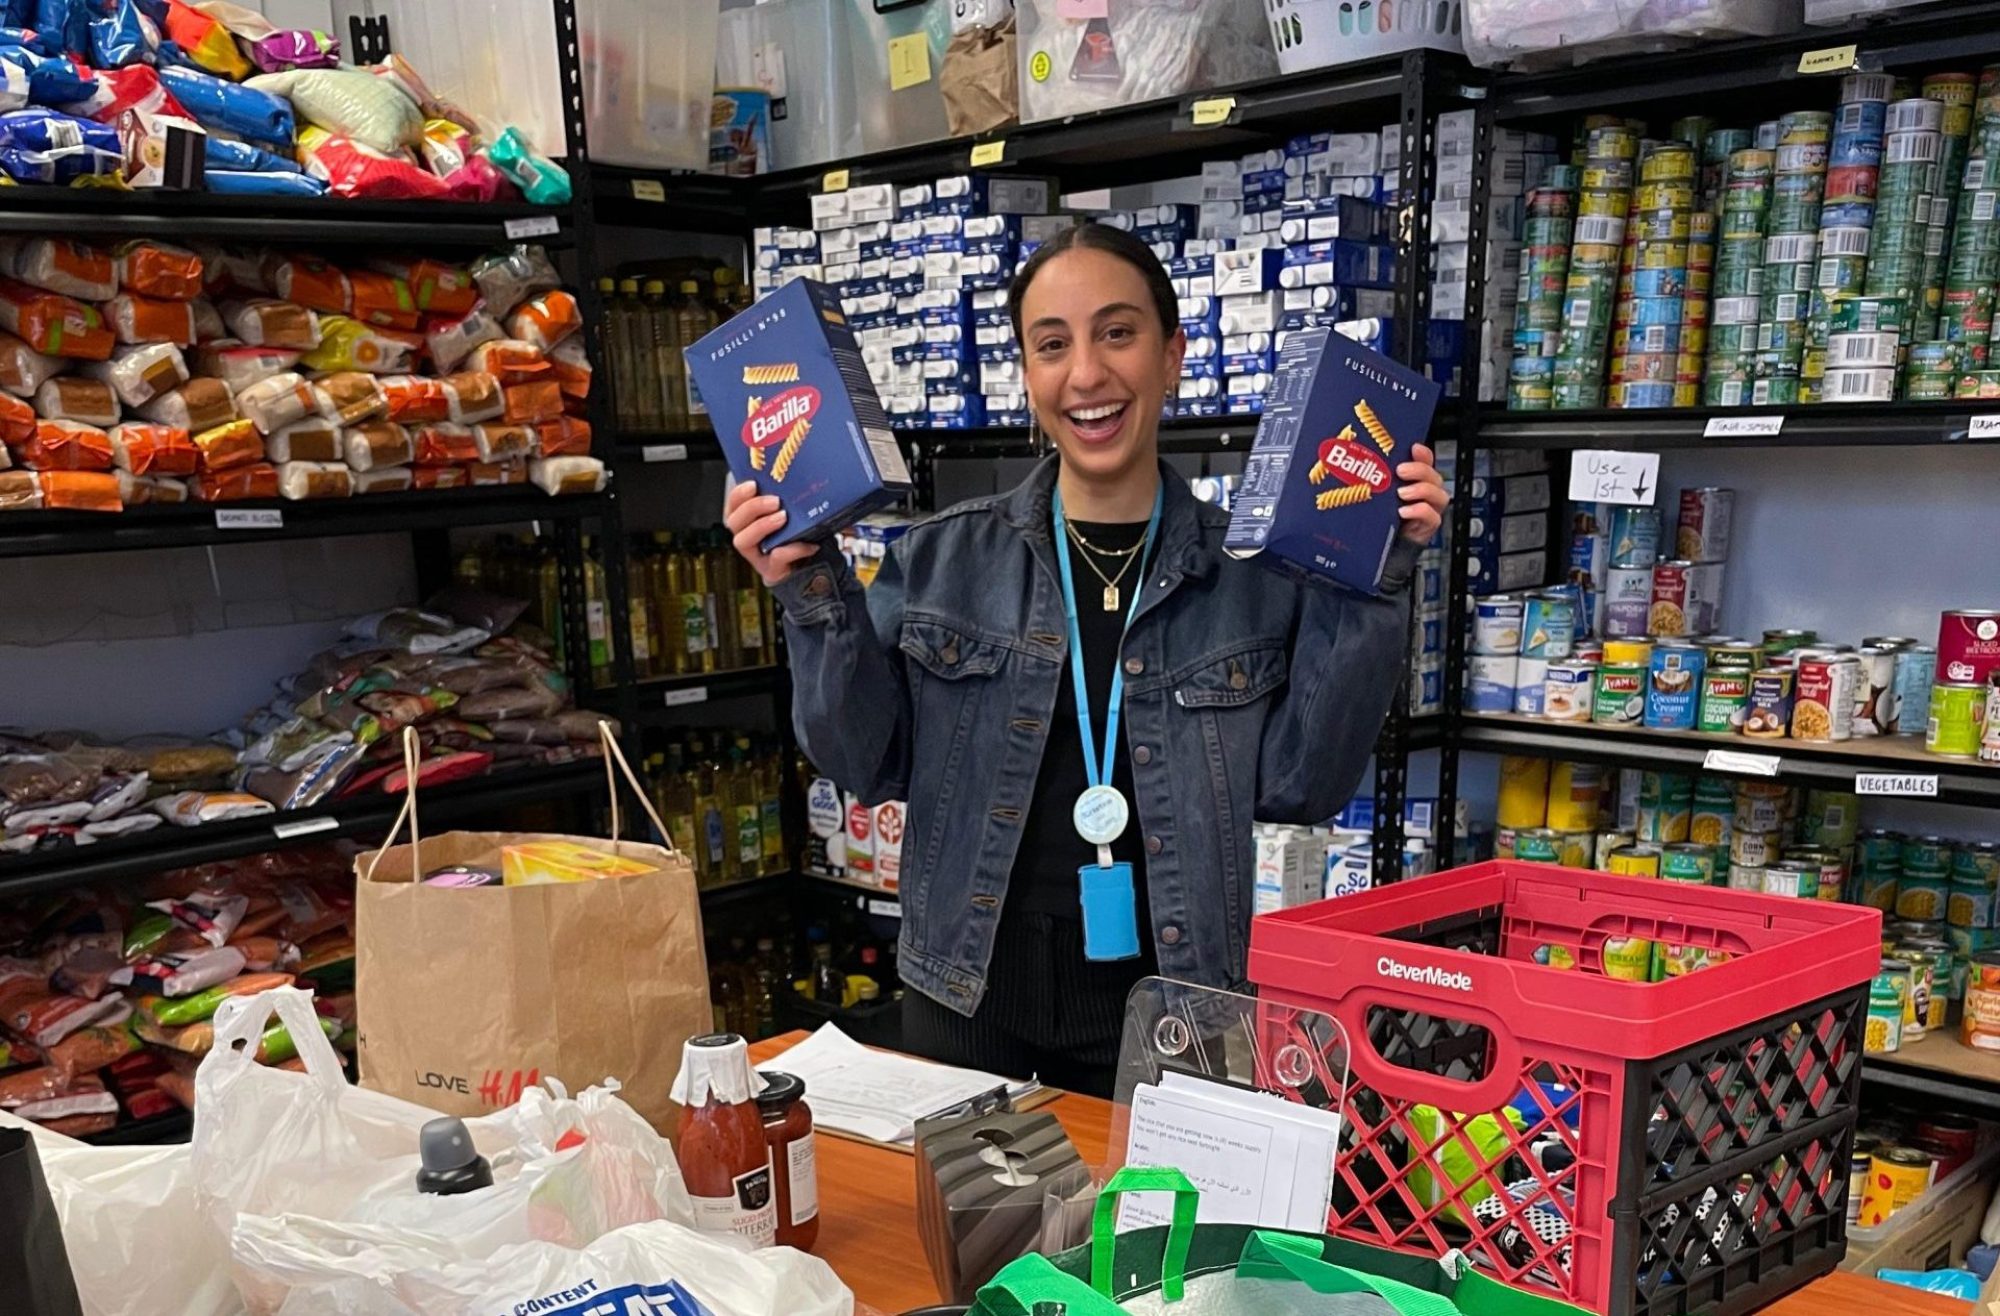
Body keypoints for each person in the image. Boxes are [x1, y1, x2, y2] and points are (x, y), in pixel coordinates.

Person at [725, 222, 1448, 1096]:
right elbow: (864, 761)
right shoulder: (943, 558)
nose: (1087, 375)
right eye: (1053, 345)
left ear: (1173, 354)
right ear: (1027, 376)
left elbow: (1304, 784)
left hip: (1173, 1002)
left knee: (1152, 1234)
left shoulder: (1256, 574)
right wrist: (808, 586)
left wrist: (1373, 574)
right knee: (976, 1235)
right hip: (965, 991)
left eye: (1117, 333)